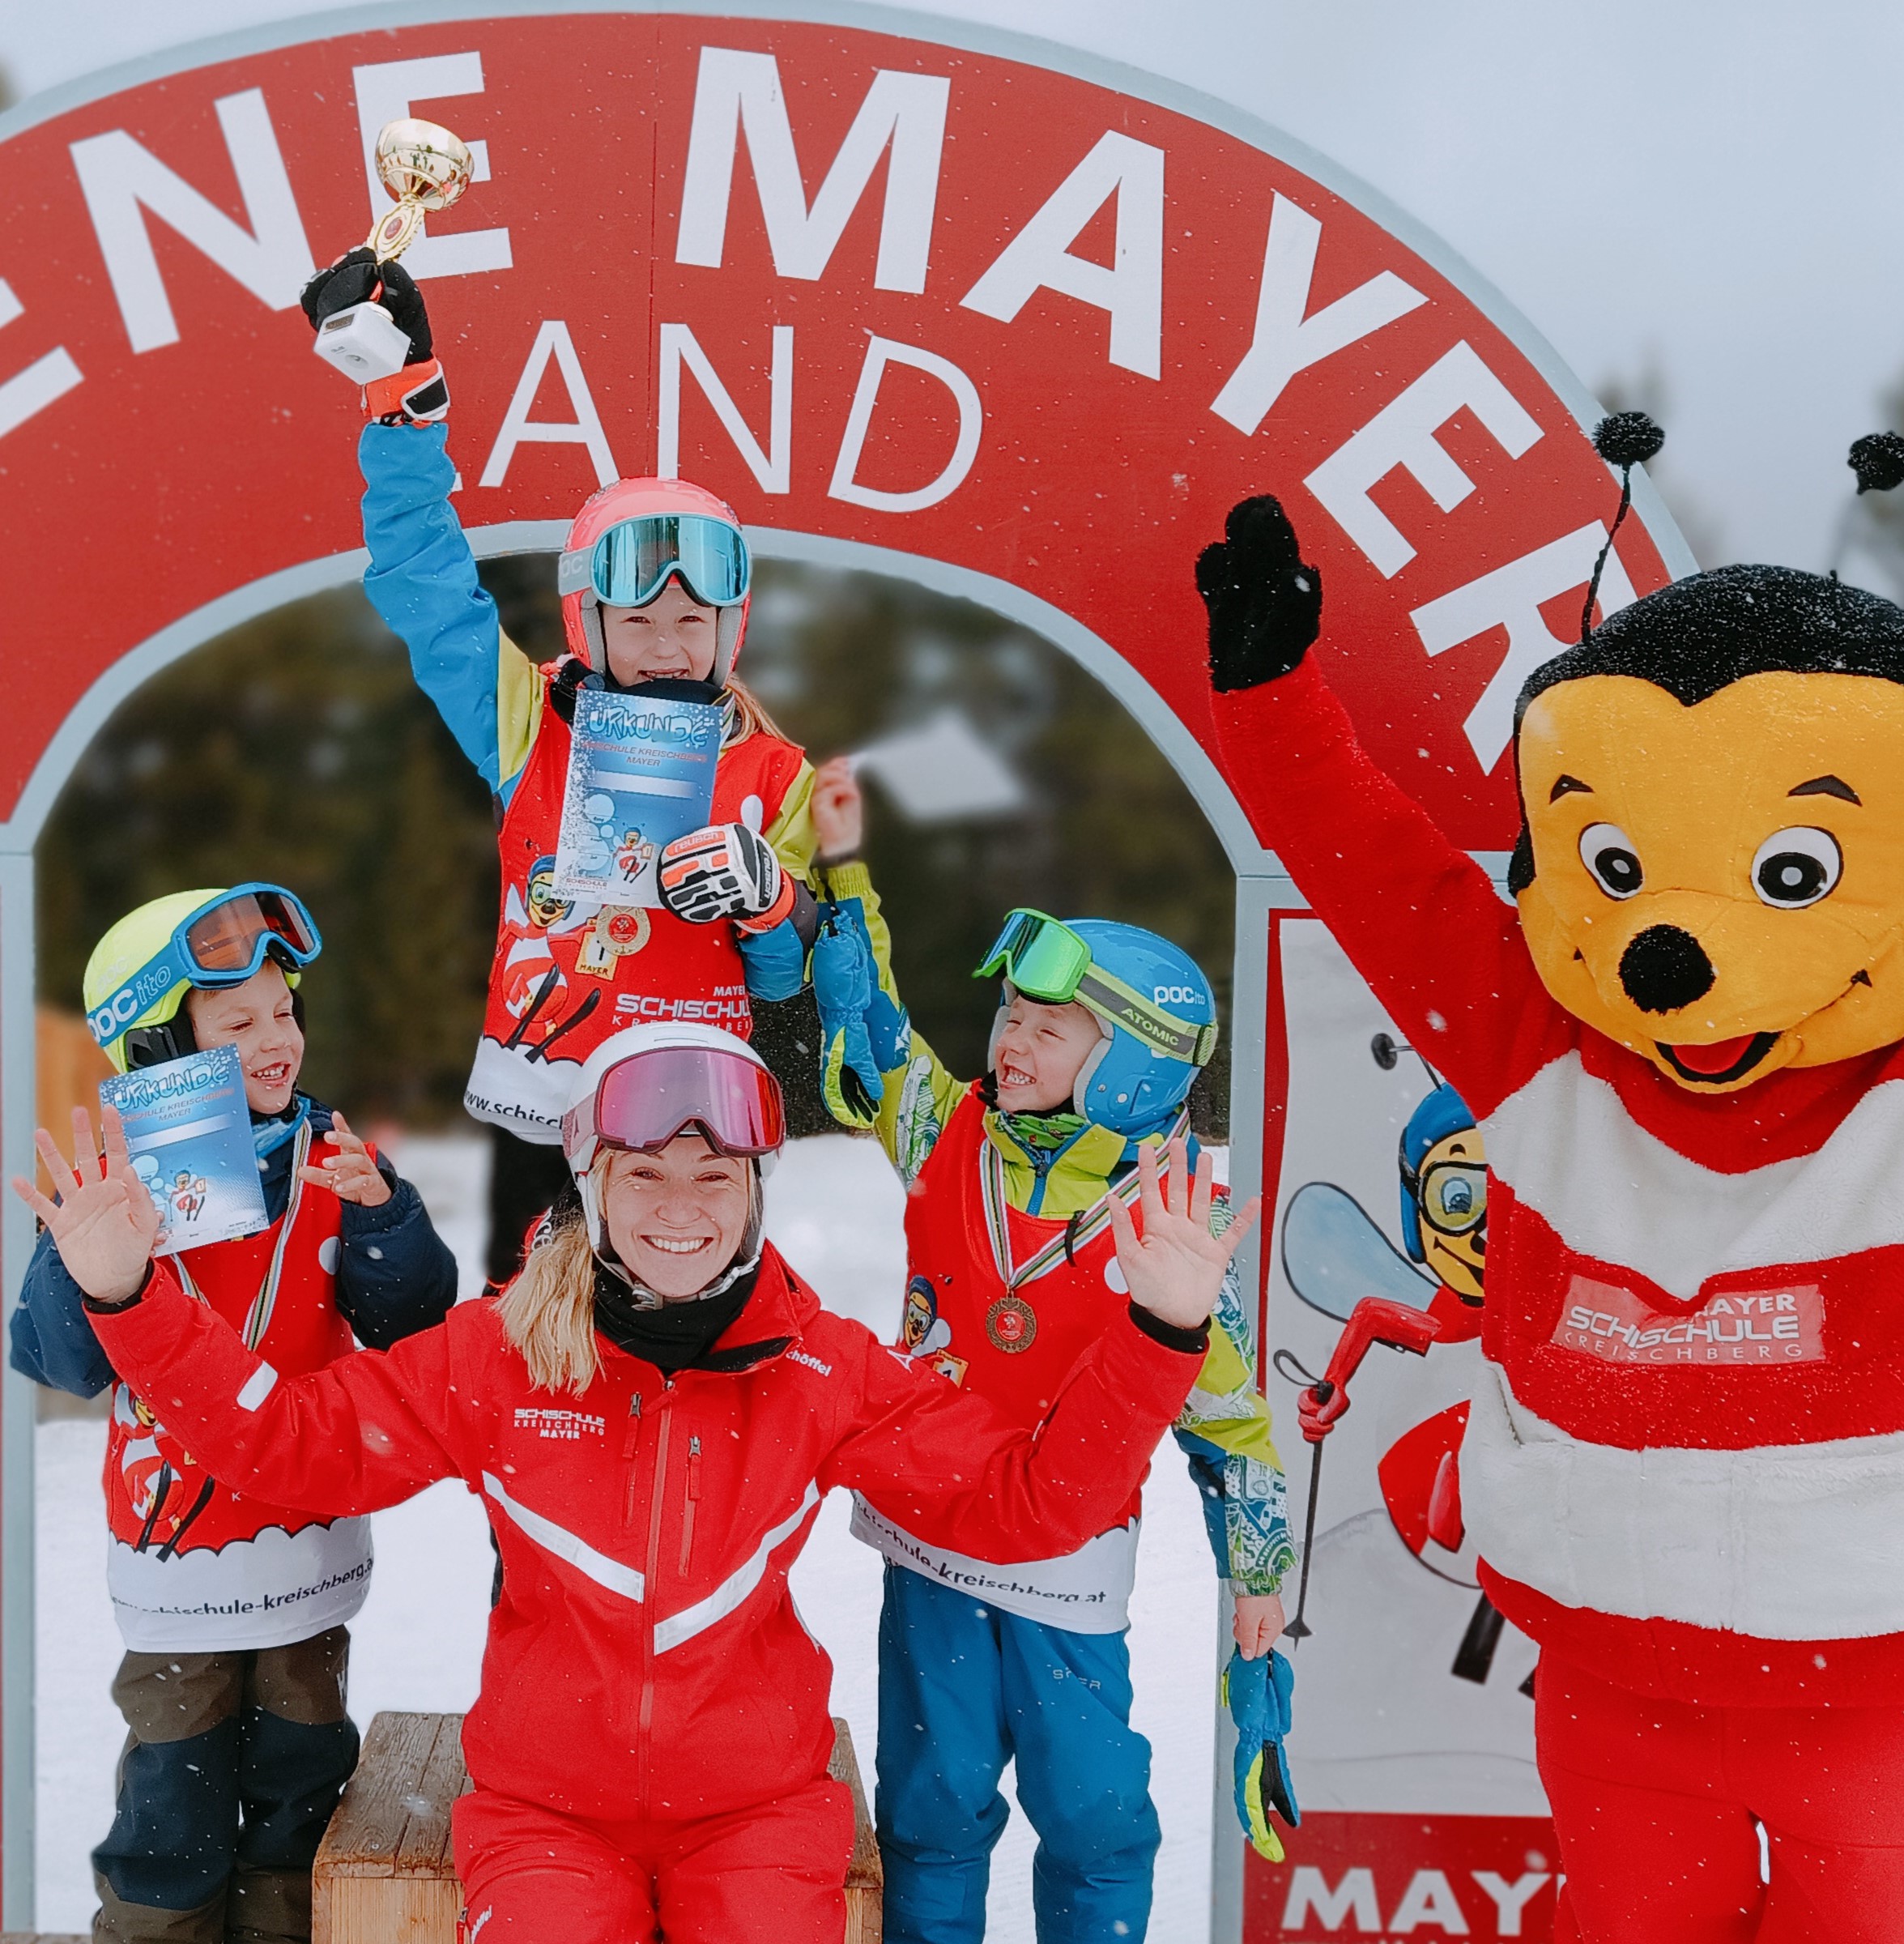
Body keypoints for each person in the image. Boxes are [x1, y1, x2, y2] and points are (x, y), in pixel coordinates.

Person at [15, 1023, 1254, 1944]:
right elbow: (288, 1447)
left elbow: (1030, 1508)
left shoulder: (821, 1366)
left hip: (759, 1814)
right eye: (644, 1175)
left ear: (758, 1195)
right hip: (549, 1816)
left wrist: (1157, 1338)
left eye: (715, 1178)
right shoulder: (497, 1356)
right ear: (591, 1190)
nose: (682, 1210)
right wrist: (130, 1300)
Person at [1197, 468, 1904, 1942]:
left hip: (1885, 1700)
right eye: (1620, 869)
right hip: (1614, 1705)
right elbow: (1378, 874)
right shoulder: (1543, 1050)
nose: (1676, 954)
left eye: (1790, 875)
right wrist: (1271, 697)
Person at [807, 762, 1295, 1943]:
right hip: (932, 1538)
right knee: (933, 1808)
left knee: (1094, 1812)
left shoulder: (1165, 1222)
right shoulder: (948, 1130)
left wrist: (1260, 1587)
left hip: (1070, 1570)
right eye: (1011, 1016)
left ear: (1132, 1061)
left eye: (1048, 1026)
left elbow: (1233, 1427)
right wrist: (844, 872)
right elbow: (871, 1017)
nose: (1011, 1040)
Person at [298, 250, 820, 1285]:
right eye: (639, 620)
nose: (669, 644)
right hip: (549, 1092)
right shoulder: (534, 724)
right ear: (590, 623)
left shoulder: (772, 770)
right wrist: (404, 409)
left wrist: (769, 900)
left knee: (684, 1318)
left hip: (694, 1115)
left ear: (732, 629)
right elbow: (425, 590)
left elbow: (789, 974)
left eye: (692, 620)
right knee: (531, 1343)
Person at [11, 885, 458, 1944]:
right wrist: (91, 1251)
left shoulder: (329, 1151)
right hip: (178, 1560)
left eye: (285, 1013)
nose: (278, 1040)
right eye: (239, 1021)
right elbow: (56, 1362)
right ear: (163, 1042)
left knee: (300, 1791)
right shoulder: (115, 1179)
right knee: (174, 1805)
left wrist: (384, 1216)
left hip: (304, 1548)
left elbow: (414, 1323)